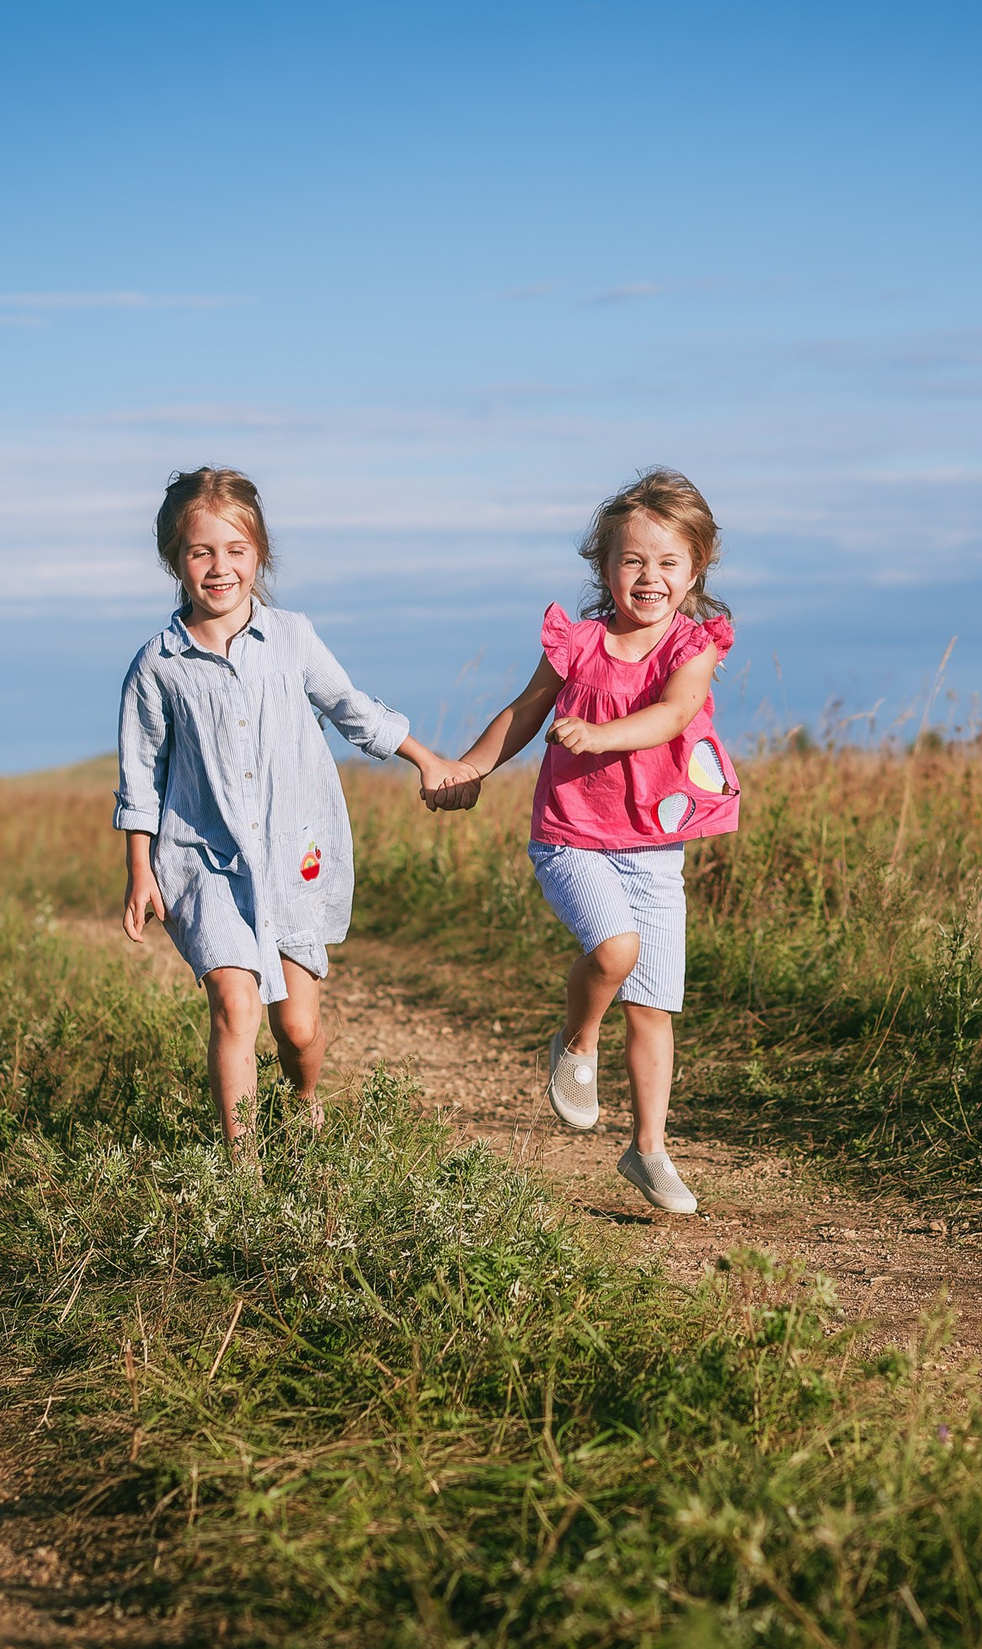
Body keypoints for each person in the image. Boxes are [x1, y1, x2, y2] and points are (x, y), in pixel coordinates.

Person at [117, 466, 469, 1143]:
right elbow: (140, 775)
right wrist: (140, 869)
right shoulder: (157, 664)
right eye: (201, 552)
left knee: (298, 1029)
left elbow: (351, 709)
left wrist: (428, 760)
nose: (221, 568)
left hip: (291, 857)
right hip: (203, 862)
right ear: (175, 559)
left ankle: (303, 1098)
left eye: (236, 550)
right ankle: (242, 1179)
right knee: (234, 1004)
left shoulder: (293, 638)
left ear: (260, 553)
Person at [433, 469, 741, 1215]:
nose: (650, 577)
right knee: (615, 951)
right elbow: (528, 708)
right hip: (572, 835)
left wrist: (602, 734)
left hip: (653, 846)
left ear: (695, 570)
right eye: (633, 560)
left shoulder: (692, 647)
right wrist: (470, 766)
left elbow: (672, 716)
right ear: (605, 568)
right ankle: (575, 1043)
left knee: (654, 1004)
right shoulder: (579, 643)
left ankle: (648, 1149)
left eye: (669, 563)